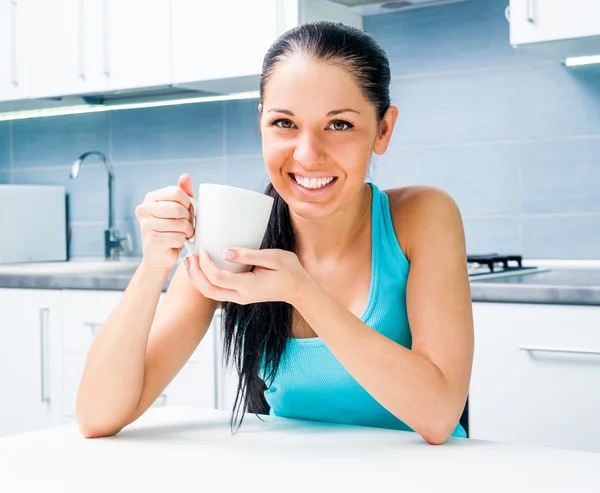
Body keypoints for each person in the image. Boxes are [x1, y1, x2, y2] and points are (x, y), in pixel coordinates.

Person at [76, 20, 474, 445]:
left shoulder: (423, 216)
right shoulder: (235, 237)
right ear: (262, 122)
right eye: (284, 123)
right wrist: (153, 268)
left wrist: (303, 293)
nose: (307, 155)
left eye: (338, 125)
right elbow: (97, 416)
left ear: (383, 130)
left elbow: (438, 415)